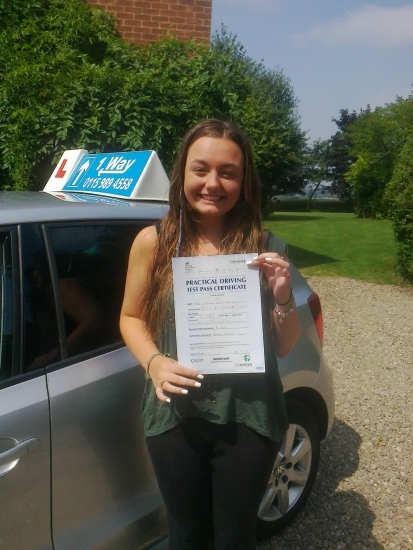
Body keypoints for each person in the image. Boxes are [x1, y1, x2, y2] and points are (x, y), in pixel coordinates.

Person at [120, 119, 300, 550]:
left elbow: (285, 344)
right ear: (182, 172)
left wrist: (281, 297)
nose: (213, 183)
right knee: (186, 534)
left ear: (244, 180)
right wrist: (154, 361)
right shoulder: (154, 241)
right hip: (175, 416)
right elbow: (130, 317)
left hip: (251, 414)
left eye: (228, 172)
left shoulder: (264, 245)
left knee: (237, 535)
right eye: (201, 169)